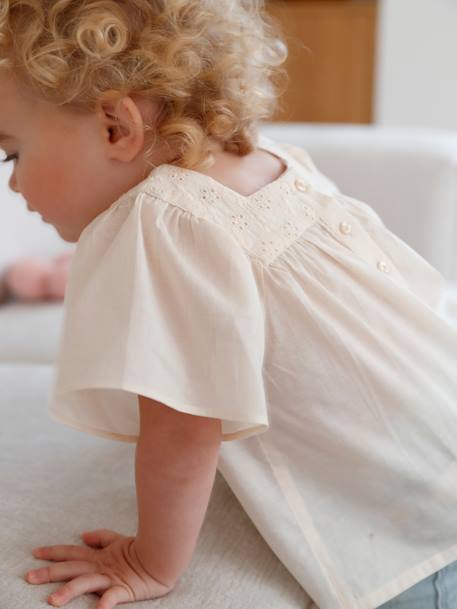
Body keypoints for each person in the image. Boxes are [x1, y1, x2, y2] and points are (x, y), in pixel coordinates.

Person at [0, 1, 457, 609]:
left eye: (12, 153)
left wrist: (148, 561)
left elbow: (184, 425)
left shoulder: (162, 223)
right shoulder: (274, 163)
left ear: (116, 126)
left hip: (406, 543)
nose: (12, 185)